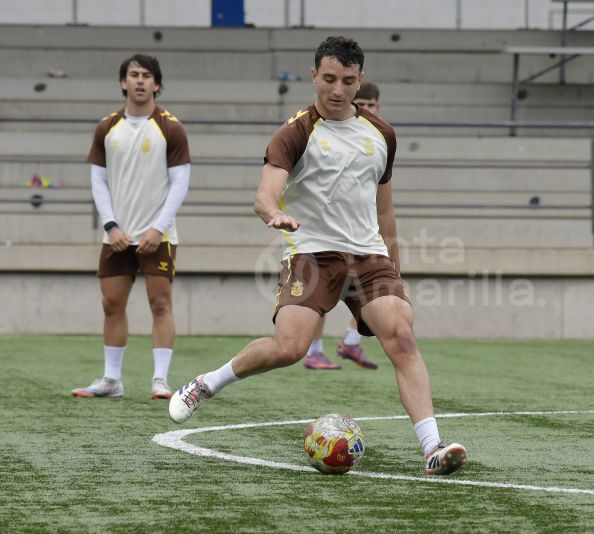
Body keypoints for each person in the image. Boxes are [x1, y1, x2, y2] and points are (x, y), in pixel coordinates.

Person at [169, 36, 466, 476]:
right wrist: (275, 214)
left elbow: (385, 208)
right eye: (329, 79)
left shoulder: (382, 134)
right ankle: (208, 383)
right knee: (290, 348)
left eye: (347, 80)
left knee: (402, 338)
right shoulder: (297, 132)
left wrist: (394, 265)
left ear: (359, 79)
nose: (338, 89)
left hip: (369, 256)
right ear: (314, 77)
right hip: (312, 254)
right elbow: (263, 196)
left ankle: (432, 449)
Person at [72, 54, 191, 400]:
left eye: (147, 75)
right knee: (111, 305)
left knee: (160, 304)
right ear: (123, 82)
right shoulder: (107, 127)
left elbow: (180, 183)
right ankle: (112, 381)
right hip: (117, 236)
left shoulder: (171, 127)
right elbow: (98, 181)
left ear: (156, 84)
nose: (140, 81)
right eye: (133, 75)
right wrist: (111, 226)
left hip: (159, 235)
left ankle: (160, 380)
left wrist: (157, 228)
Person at [304, 81, 382, 371]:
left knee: (376, 291)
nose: (369, 109)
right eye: (365, 103)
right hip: (323, 231)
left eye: (373, 104)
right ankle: (314, 350)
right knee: (323, 293)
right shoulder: (320, 131)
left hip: (363, 232)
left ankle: (350, 341)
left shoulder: (377, 137)